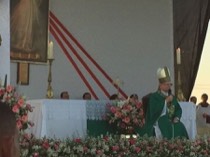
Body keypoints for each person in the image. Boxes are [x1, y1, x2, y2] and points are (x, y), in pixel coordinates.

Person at [144, 66, 188, 139]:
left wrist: (177, 117)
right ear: (160, 85)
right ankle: (167, 146)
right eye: (166, 84)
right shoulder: (154, 96)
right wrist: (165, 101)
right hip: (158, 120)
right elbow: (153, 111)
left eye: (170, 84)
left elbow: (178, 109)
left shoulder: (172, 97)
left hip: (172, 120)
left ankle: (181, 147)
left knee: (180, 126)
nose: (169, 86)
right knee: (165, 125)